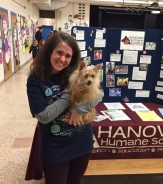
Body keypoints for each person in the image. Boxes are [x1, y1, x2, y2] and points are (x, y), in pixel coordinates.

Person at [26, 32, 104, 184]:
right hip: (56, 147)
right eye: (59, 53)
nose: (63, 59)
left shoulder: (76, 71)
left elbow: (99, 95)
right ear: (49, 51)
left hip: (81, 143)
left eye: (68, 56)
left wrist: (78, 111)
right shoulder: (35, 80)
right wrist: (70, 93)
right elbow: (44, 116)